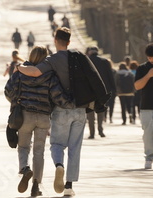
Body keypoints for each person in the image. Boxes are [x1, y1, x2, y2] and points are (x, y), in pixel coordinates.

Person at [18, 27, 108, 196]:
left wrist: (19, 67)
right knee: (75, 148)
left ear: (55, 40)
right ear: (69, 41)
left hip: (61, 109)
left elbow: (35, 72)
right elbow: (95, 77)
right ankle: (68, 186)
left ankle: (59, 165)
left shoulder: (52, 60)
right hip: (80, 110)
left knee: (57, 144)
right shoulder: (80, 57)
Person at [5, 46, 73, 197]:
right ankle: (36, 185)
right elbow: (58, 96)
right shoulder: (50, 75)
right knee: (39, 151)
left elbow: (8, 91)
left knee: (23, 147)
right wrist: (72, 104)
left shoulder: (20, 72)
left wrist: (16, 101)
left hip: (25, 115)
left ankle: (25, 169)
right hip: (43, 117)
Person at [86, 46, 115, 138]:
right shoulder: (105, 61)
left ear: (89, 52)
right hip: (102, 90)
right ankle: (100, 130)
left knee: (90, 111)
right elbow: (110, 76)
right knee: (100, 110)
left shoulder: (86, 61)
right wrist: (113, 89)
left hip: (90, 91)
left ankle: (92, 133)